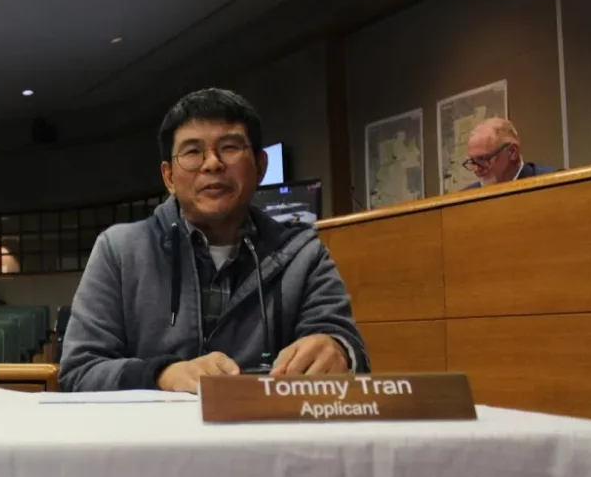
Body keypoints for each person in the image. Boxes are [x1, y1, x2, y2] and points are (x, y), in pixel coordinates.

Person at [60, 88, 369, 393]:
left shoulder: (304, 255)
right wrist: (162, 374)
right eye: (193, 151)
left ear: (261, 167)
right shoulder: (119, 251)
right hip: (155, 440)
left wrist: (337, 350)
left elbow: (350, 350)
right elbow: (80, 371)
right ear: (169, 177)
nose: (212, 164)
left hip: (265, 440)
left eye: (231, 147)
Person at [461, 118, 556, 189]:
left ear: (512, 152)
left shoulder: (554, 184)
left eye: (483, 159)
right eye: (472, 162)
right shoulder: (466, 197)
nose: (477, 169)